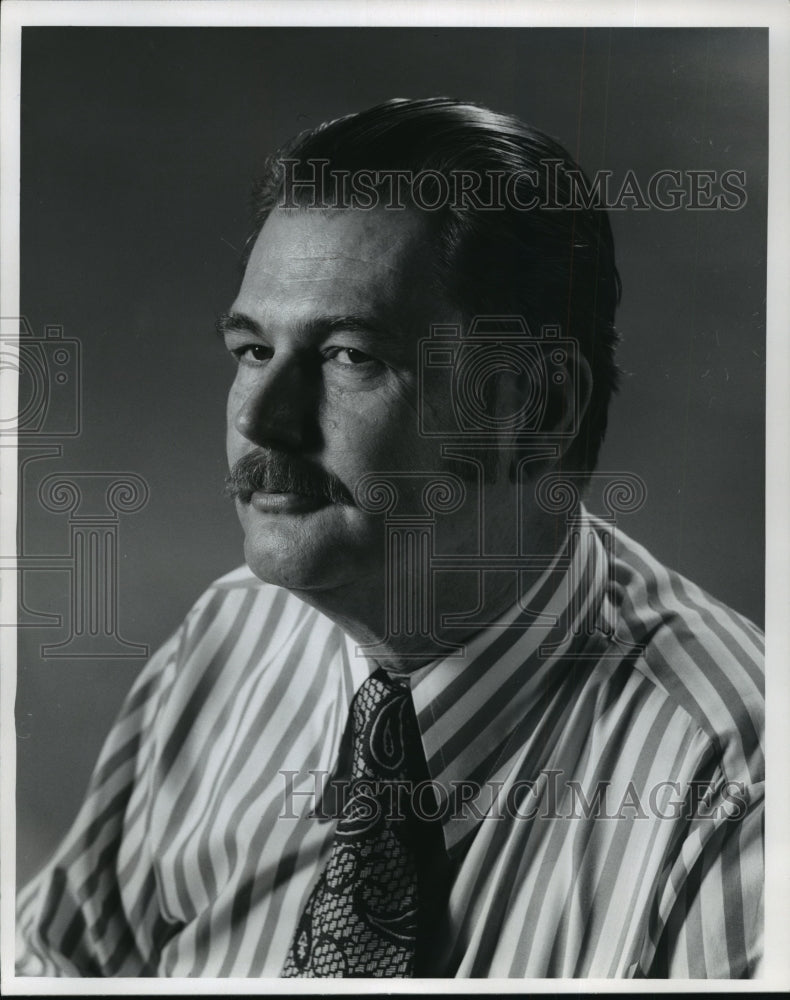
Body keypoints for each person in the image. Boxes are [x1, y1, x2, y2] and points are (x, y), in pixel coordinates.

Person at [16, 98, 763, 979]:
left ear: (539, 407)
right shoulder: (228, 639)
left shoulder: (736, 792)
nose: (260, 420)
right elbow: (50, 964)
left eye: (351, 356)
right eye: (253, 351)